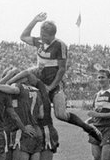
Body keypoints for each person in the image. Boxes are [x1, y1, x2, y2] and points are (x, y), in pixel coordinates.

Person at [15, 12, 102, 144]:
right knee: (32, 104)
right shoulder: (39, 42)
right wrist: (35, 20)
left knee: (61, 114)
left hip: (53, 84)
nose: (42, 37)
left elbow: (62, 69)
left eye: (45, 35)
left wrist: (51, 87)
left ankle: (88, 128)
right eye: (41, 34)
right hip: (38, 82)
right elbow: (23, 36)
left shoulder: (60, 45)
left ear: (52, 35)